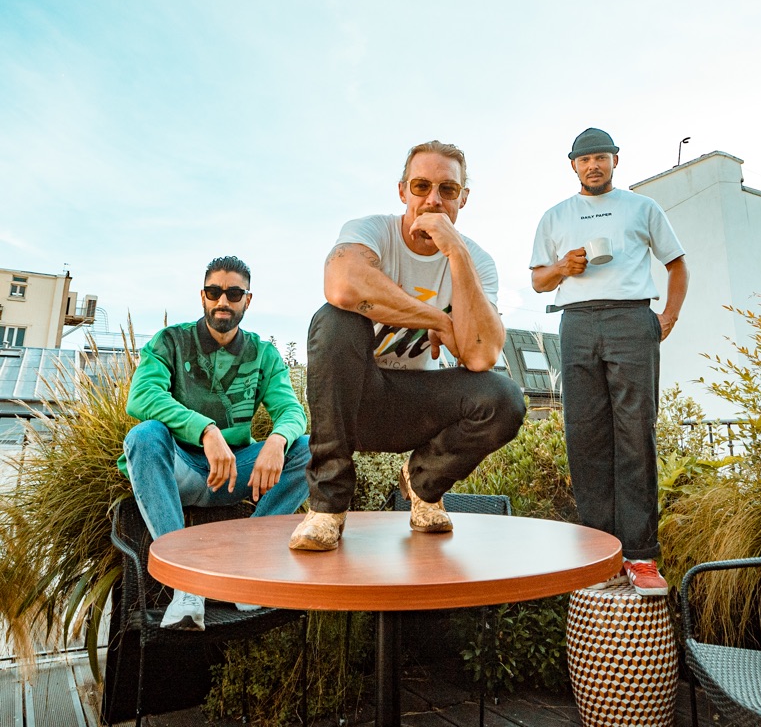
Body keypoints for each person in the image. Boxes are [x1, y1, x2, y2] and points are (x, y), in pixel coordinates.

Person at [289, 140, 526, 551]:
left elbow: (481, 355)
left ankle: (422, 485)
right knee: (334, 319)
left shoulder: (477, 261)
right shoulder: (370, 232)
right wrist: (437, 318)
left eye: (447, 189)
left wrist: (456, 251)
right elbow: (342, 285)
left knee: (504, 398)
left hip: (417, 409)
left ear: (463, 199)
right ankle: (327, 507)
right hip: (355, 401)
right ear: (402, 191)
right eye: (421, 186)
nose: (433, 200)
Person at [530, 128, 689, 596]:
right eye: (585, 159)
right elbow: (539, 281)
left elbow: (677, 264)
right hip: (576, 323)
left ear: (615, 160)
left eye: (600, 157)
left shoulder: (642, 207)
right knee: (585, 436)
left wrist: (668, 316)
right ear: (573, 165)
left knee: (636, 433)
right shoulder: (555, 216)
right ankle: (601, 555)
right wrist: (563, 268)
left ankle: (640, 556)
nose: (593, 165)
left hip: (631, 318)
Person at [121, 256, 311, 629]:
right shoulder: (170, 341)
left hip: (236, 473)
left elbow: (292, 411)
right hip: (179, 469)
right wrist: (206, 431)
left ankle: (245, 568)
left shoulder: (263, 353)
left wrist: (277, 440)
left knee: (309, 449)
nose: (223, 301)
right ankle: (187, 583)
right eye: (214, 292)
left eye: (234, 293)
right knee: (144, 436)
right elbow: (141, 397)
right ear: (203, 296)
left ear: (247, 300)